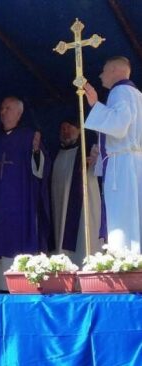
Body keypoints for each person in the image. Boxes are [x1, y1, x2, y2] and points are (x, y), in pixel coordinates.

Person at [0, 97, 49, 291]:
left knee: (15, 241)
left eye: (8, 108)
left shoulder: (29, 137)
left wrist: (36, 152)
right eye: (2, 108)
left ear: (19, 113)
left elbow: (41, 170)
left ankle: (18, 287)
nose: (3, 112)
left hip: (19, 203)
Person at [84, 56, 142, 253]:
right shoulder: (137, 94)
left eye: (104, 71)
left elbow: (118, 126)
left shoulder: (120, 91)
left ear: (115, 70)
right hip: (134, 162)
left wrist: (95, 105)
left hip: (122, 165)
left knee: (122, 214)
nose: (101, 75)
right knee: (135, 212)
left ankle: (126, 260)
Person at [49, 119, 102, 263]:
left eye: (69, 127)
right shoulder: (55, 154)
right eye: (63, 128)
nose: (65, 131)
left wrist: (95, 160)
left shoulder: (86, 152)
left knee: (83, 238)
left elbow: (99, 167)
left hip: (83, 205)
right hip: (59, 207)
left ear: (79, 130)